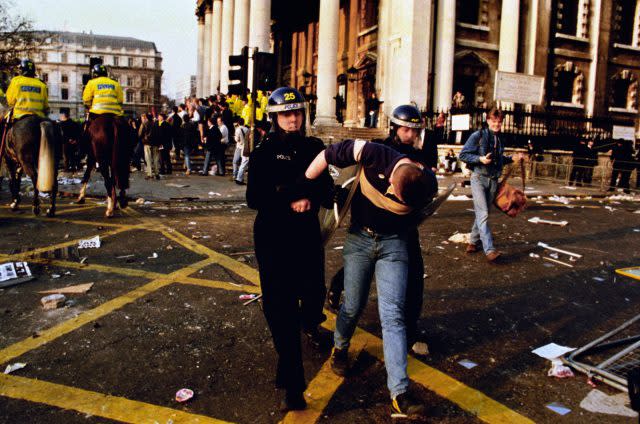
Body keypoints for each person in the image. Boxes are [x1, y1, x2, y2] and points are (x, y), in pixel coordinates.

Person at [305, 136, 438, 419]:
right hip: (360, 240)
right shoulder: (372, 153)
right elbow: (330, 154)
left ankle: (399, 393)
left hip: (395, 245)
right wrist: (306, 182)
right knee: (353, 304)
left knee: (393, 315)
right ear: (390, 180)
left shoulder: (427, 182)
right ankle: (339, 349)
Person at [247, 87, 334, 411]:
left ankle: (308, 323)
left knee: (313, 296)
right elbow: (255, 197)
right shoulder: (264, 151)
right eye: (286, 114)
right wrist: (293, 196)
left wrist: (310, 195)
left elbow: (328, 192)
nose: (293, 118)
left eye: (297, 112)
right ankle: (293, 384)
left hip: (307, 236)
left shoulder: (315, 147)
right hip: (273, 236)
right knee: (279, 309)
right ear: (275, 117)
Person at [459, 108, 524, 262]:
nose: (497, 124)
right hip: (479, 178)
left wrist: (513, 158)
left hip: (493, 180)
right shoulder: (478, 135)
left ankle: (473, 242)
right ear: (488, 121)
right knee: (484, 214)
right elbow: (463, 154)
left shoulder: (499, 139)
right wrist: (480, 159)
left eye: (499, 122)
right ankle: (490, 250)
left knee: (483, 212)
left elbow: (499, 158)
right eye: (494, 121)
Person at [2, 59, 49, 138]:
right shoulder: (42, 85)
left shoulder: (16, 81)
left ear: (21, 70)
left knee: (2, 127)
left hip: (19, 115)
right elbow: (45, 106)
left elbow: (10, 101)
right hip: (39, 117)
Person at [138, 113, 158, 180]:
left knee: (148, 159)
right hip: (155, 143)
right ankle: (157, 173)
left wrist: (142, 139)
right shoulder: (156, 124)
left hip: (147, 143)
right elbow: (159, 134)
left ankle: (150, 174)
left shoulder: (144, 124)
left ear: (146, 117)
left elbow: (140, 134)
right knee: (155, 159)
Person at [232, 117, 249, 184]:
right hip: (245, 147)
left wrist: (234, 137)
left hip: (239, 147)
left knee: (235, 161)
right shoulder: (247, 129)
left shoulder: (237, 129)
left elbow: (236, 139)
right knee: (243, 163)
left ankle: (235, 175)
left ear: (238, 123)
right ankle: (240, 177)